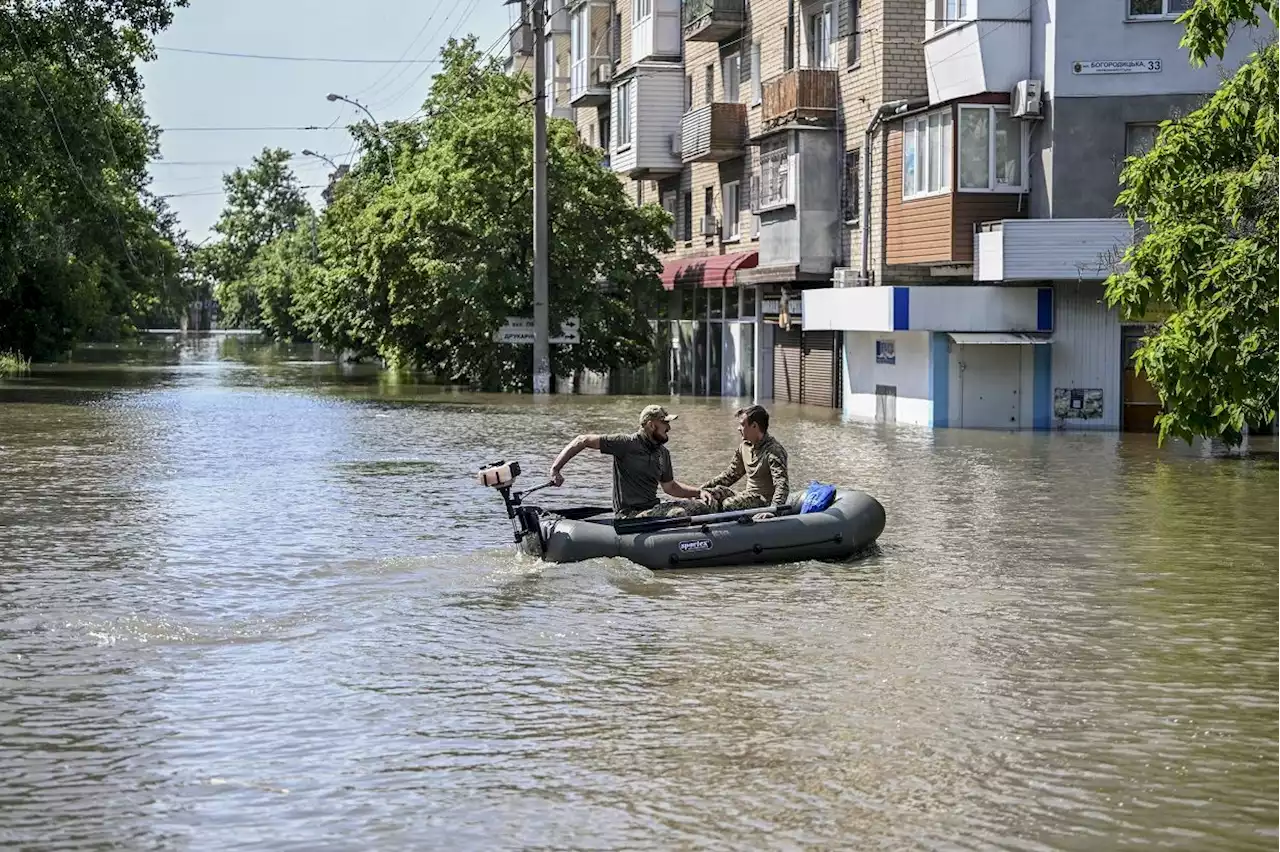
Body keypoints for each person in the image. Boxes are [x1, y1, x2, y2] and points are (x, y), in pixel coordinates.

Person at [548, 404, 717, 519]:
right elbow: (582, 440)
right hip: (629, 515)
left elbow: (670, 487)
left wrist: (699, 492)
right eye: (664, 423)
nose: (669, 428)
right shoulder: (625, 444)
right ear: (651, 425)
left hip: (652, 509)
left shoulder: (663, 453)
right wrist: (556, 469)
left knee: (700, 507)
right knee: (679, 514)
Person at [700, 405, 790, 521]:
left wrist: (773, 510)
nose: (739, 428)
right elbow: (730, 474)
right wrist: (700, 490)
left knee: (729, 504)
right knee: (712, 493)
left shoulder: (774, 451)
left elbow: (782, 484)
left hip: (763, 502)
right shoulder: (744, 447)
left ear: (754, 426)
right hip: (747, 497)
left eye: (742, 424)